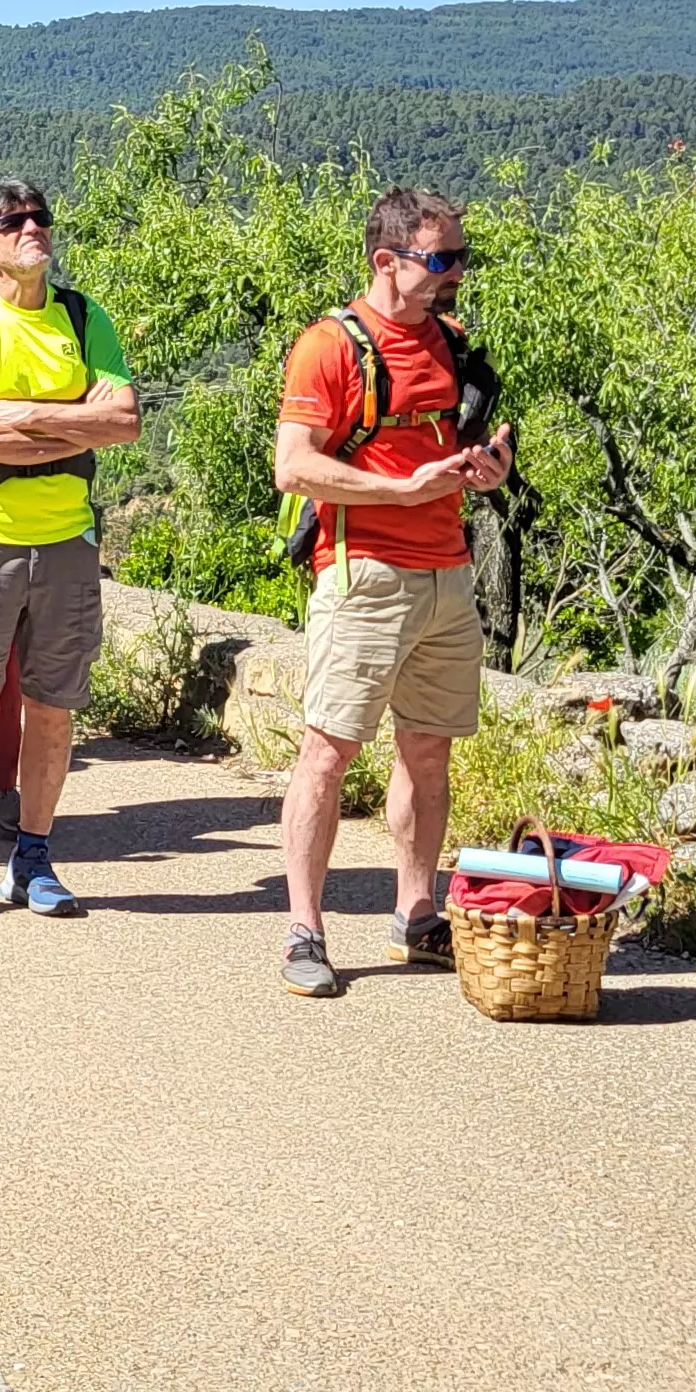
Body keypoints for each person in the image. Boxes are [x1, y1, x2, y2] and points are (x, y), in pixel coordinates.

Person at [269, 186, 512, 997]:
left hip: (448, 572)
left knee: (429, 751)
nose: (456, 274)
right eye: (441, 259)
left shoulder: (453, 343)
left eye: (461, 258)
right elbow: (294, 466)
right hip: (363, 573)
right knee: (329, 752)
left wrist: (487, 472)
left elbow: (454, 449)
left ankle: (417, 912)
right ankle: (305, 929)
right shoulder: (329, 348)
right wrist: (402, 491)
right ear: (386, 259)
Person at [0, 182, 143, 924]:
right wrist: (74, 420)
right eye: (12, 223)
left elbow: (126, 422)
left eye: (39, 218)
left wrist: (18, 414)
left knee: (53, 710)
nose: (33, 229)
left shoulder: (83, 316)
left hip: (67, 539)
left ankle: (34, 859)